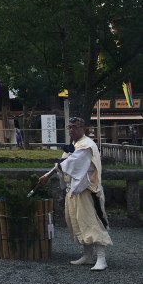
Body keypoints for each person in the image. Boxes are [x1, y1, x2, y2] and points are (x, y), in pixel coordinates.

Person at [38, 116, 112, 271]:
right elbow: (63, 164)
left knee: (93, 222)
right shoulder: (74, 145)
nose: (71, 129)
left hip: (88, 190)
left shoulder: (86, 145)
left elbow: (70, 164)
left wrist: (48, 175)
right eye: (69, 127)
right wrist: (47, 175)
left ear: (84, 129)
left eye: (75, 127)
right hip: (74, 189)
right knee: (78, 222)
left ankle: (101, 258)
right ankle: (87, 255)